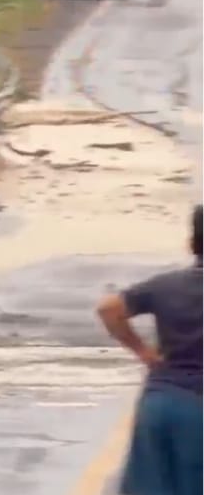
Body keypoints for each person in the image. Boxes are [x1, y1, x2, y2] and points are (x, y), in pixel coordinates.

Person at [96, 204, 202, 495]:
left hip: (160, 404)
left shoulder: (165, 285)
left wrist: (143, 352)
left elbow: (109, 308)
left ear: (191, 244)